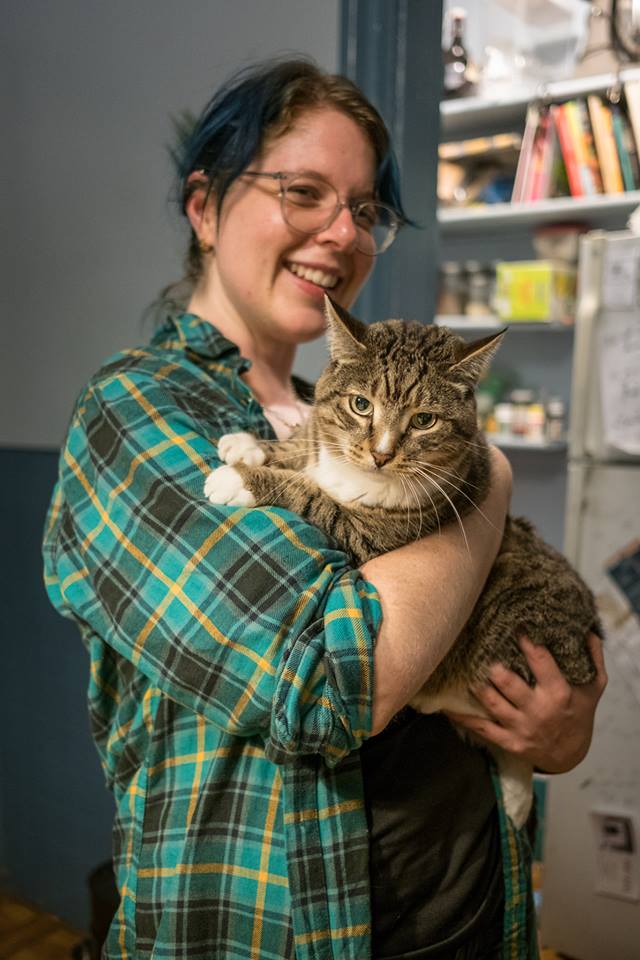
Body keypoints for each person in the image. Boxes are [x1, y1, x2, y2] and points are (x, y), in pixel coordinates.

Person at [43, 58, 606, 960]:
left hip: (471, 910)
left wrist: (559, 728)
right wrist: (487, 483)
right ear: (204, 206)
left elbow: (493, 651)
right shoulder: (135, 413)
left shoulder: (340, 406)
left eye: (366, 208)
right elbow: (333, 677)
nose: (341, 234)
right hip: (286, 931)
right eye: (304, 191)